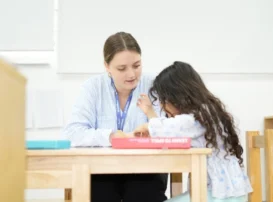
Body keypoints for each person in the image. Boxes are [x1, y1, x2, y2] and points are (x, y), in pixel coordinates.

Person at [62, 32, 168, 202]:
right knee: (99, 192)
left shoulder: (154, 85)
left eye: (136, 65)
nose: (132, 74)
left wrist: (152, 122)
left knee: (143, 193)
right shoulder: (93, 88)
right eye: (122, 68)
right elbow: (72, 133)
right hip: (102, 167)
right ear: (107, 66)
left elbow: (171, 129)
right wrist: (111, 136)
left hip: (147, 167)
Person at [134, 61, 253, 202]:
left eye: (164, 99)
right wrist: (150, 114)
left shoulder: (199, 117)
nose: (163, 105)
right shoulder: (206, 112)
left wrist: (147, 126)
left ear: (178, 96)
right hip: (224, 193)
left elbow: (175, 127)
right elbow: (171, 132)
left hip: (221, 197)